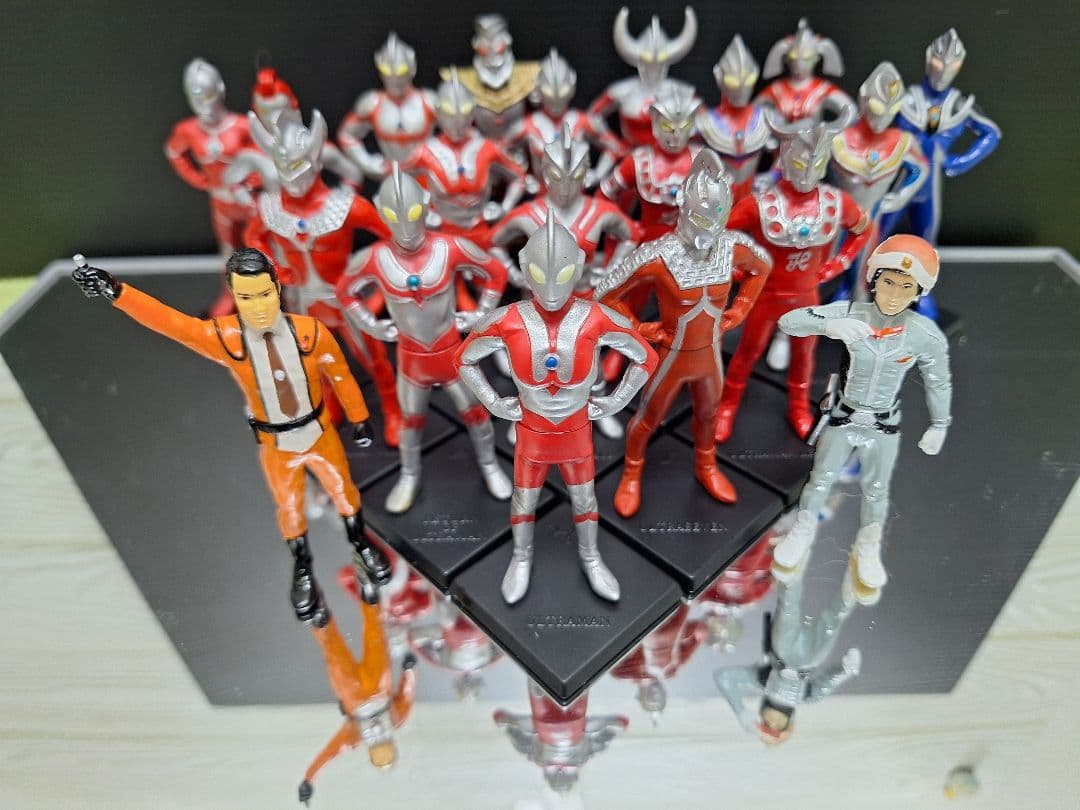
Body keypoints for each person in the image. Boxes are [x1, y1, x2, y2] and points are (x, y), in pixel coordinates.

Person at [70, 249, 391, 624]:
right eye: (246, 297)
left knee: (343, 490)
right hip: (275, 445)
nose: (258, 307)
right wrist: (117, 291)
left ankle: (360, 542)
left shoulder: (311, 332)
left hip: (319, 432)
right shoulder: (226, 338)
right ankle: (302, 565)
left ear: (277, 288)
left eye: (264, 294)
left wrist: (359, 418)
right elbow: (173, 324)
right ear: (234, 297)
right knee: (289, 507)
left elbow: (341, 376)